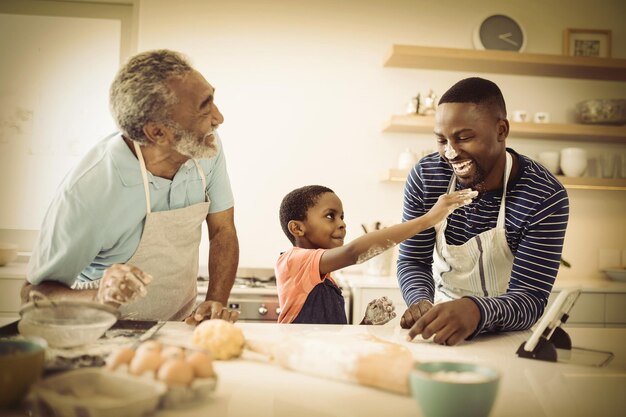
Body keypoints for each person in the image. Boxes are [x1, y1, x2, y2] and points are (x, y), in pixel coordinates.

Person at [21, 49, 239, 324]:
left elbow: (223, 230)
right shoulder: (88, 191)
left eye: (212, 99)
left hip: (175, 327)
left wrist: (215, 301)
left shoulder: (206, 148)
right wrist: (99, 296)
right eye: (204, 107)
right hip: (102, 334)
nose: (218, 118)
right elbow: (32, 293)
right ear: (158, 132)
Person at [397, 77, 570, 346]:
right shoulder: (427, 177)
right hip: (439, 326)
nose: (451, 153)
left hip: (509, 334)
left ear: (501, 130)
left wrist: (476, 311)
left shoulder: (543, 195)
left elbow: (530, 297)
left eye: (464, 138)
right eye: (442, 140)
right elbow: (413, 260)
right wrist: (420, 301)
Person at [276, 184, 477, 324]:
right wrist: (428, 219)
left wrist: (366, 323)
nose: (342, 223)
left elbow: (334, 336)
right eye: (330, 216)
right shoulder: (293, 261)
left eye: (342, 216)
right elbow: (354, 252)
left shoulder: (326, 278)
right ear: (297, 228)